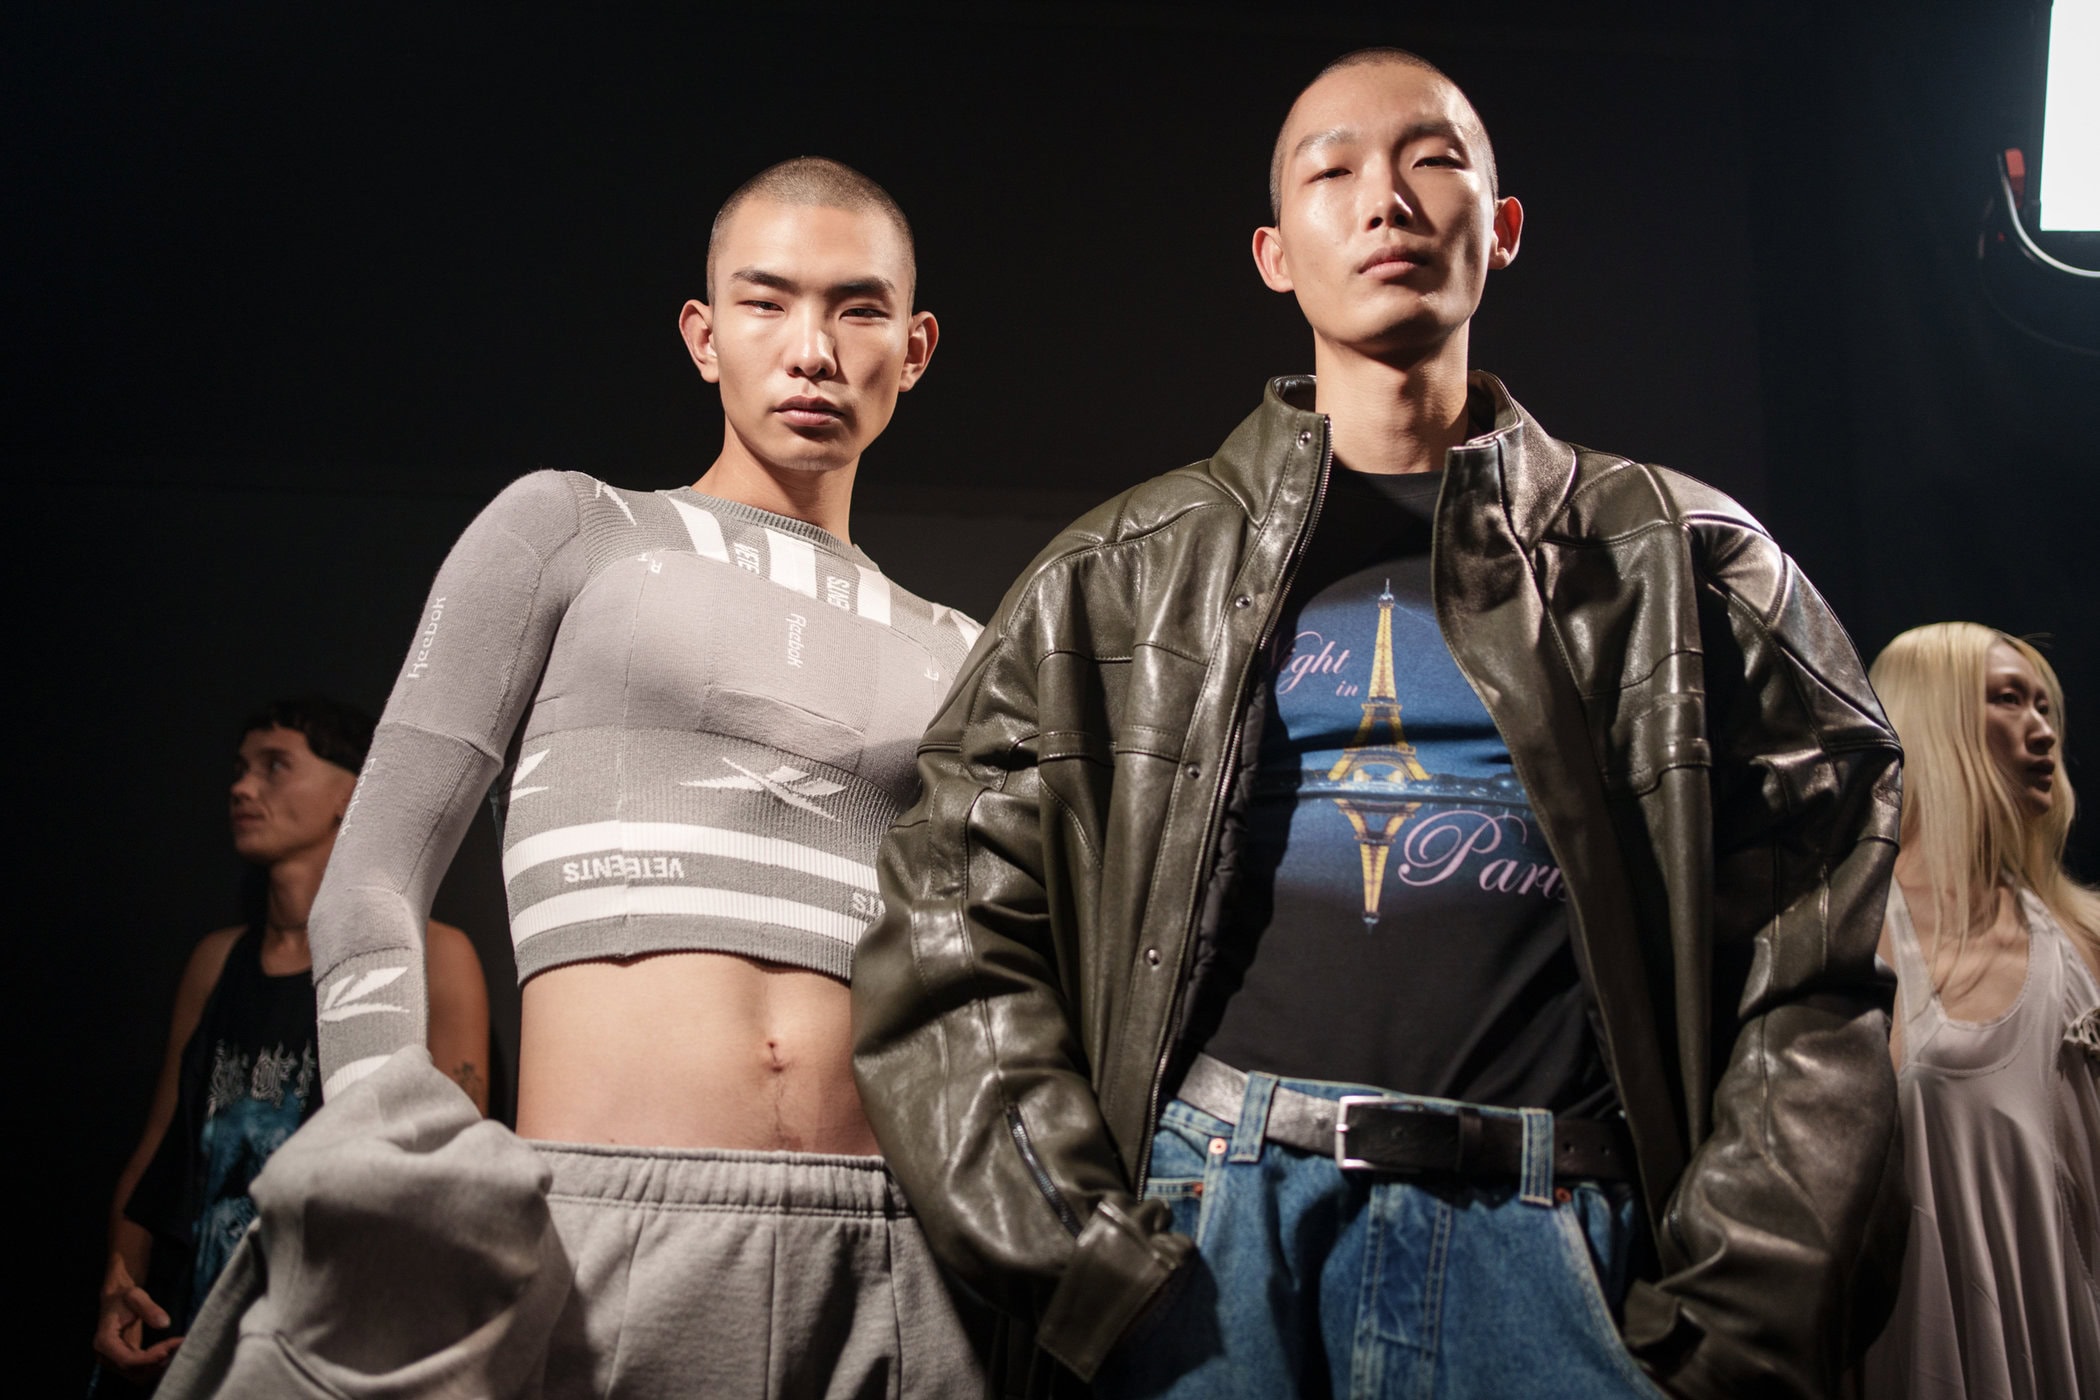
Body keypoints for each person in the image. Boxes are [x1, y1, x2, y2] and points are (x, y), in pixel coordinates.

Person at [853, 48, 1904, 1400]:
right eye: (1332, 171)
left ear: (1502, 228)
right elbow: (946, 935)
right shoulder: (1112, 580)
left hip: (1569, 1256)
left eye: (1432, 159)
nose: (1386, 199)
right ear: (1274, 253)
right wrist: (1087, 1269)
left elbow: (1817, 977)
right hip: (1213, 1250)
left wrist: (1728, 1333)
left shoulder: (1692, 566)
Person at [157, 158, 985, 1399]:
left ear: (913, 349)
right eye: (766, 302)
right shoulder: (573, 530)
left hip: (895, 1251)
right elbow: (372, 874)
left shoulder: (963, 646)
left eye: (857, 308)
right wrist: (386, 1143)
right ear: (703, 335)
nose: (811, 348)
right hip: (601, 1235)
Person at [92, 697, 489, 1391]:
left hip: (335, 1340)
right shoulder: (217, 961)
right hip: (191, 1328)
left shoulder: (432, 955)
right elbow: (158, 1149)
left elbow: (454, 1167)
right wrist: (117, 1288)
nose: (242, 788)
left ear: (350, 794)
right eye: (239, 769)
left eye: (275, 766)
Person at [1861, 624, 2100, 1398]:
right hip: (1920, 1349)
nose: (2043, 729)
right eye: (2008, 699)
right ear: (1933, 719)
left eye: (2045, 706)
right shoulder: (1849, 943)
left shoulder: (2084, 943)